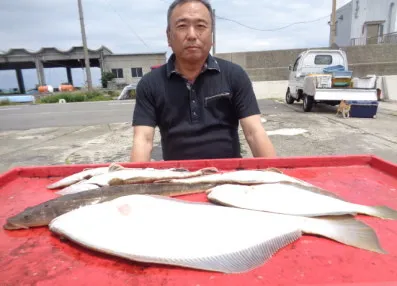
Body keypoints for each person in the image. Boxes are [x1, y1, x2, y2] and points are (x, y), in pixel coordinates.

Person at [130, 0, 276, 162]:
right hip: (177, 176)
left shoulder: (234, 75)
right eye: (182, 26)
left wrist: (277, 175)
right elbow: (143, 139)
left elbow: (254, 132)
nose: (192, 35)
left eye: (200, 26)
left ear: (211, 36)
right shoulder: (150, 83)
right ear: (169, 36)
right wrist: (133, 183)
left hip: (230, 175)